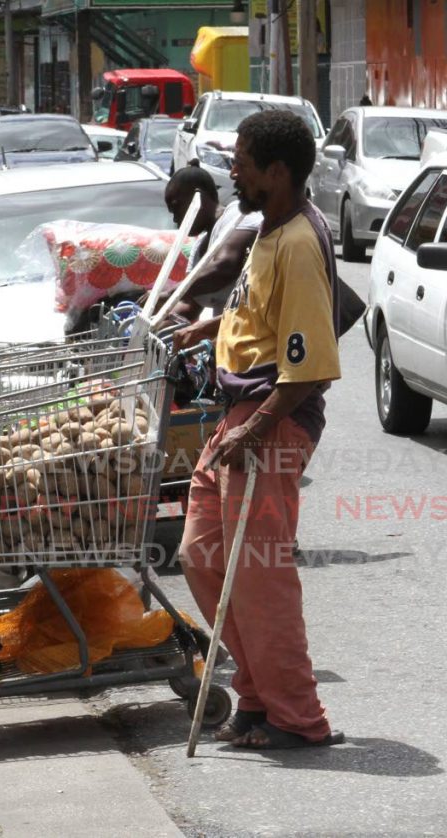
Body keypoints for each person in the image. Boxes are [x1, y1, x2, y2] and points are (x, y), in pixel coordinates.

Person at [173, 110, 345, 750]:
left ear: (278, 171)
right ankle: (256, 696)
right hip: (240, 417)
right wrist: (212, 328)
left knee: (261, 573)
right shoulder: (265, 230)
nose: (233, 171)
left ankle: (296, 717)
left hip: (271, 420)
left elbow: (310, 367)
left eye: (242, 161)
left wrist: (256, 431)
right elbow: (260, 316)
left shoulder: (300, 242)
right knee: (200, 554)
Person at [163, 161, 262, 319]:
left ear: (198, 197)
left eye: (177, 207)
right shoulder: (200, 247)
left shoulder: (237, 214)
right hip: (226, 337)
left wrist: (170, 293)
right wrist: (152, 324)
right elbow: (190, 306)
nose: (176, 219)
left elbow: (224, 267)